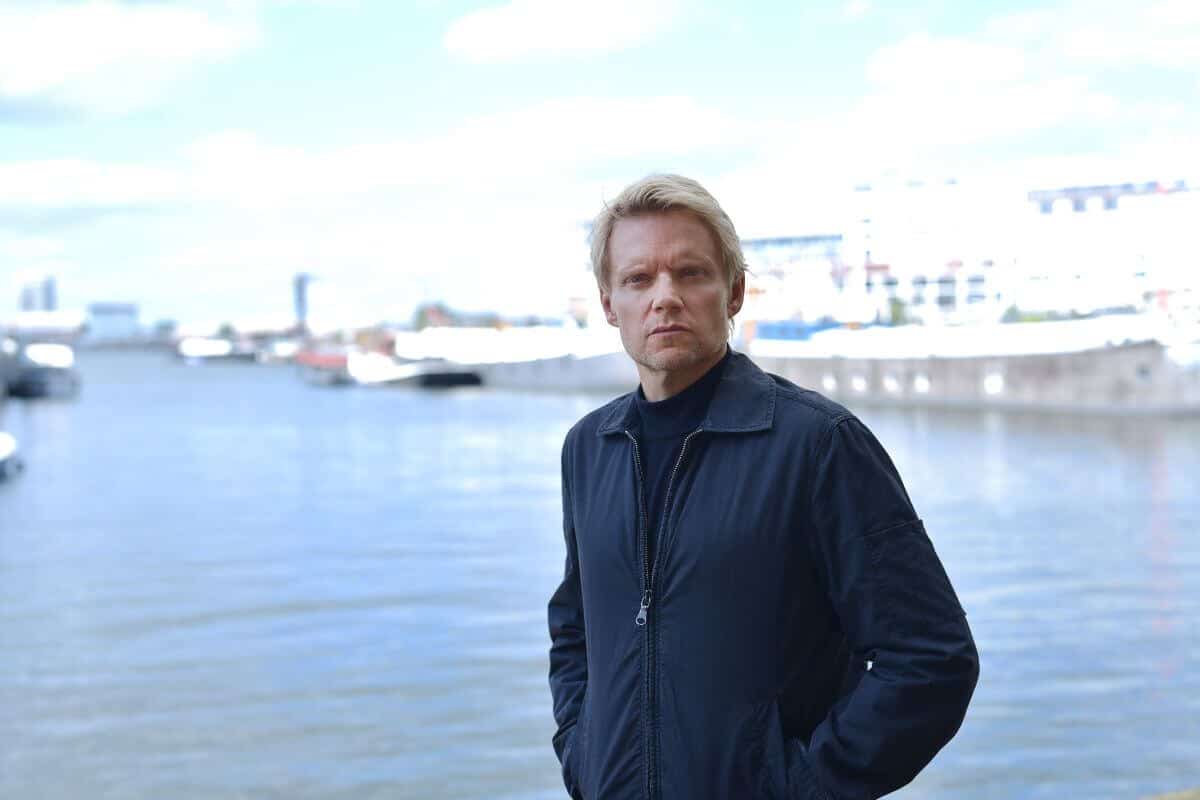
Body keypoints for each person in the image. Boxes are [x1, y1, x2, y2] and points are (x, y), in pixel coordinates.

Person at [547, 174, 978, 800]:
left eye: (691, 273)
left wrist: (803, 788)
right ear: (609, 303)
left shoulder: (818, 444)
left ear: (735, 292)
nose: (664, 297)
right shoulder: (589, 449)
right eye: (639, 279)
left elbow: (931, 660)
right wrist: (581, 754)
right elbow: (575, 627)